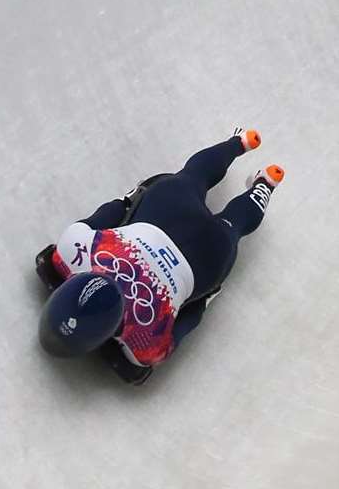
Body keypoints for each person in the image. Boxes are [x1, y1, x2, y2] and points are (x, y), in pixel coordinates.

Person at [38, 128, 285, 384]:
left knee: (231, 225)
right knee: (194, 178)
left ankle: (265, 184)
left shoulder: (144, 346)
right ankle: (243, 147)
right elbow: (109, 213)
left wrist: (206, 298)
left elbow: (190, 320)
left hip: (205, 258)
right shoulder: (71, 251)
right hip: (169, 212)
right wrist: (129, 200)